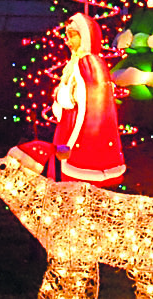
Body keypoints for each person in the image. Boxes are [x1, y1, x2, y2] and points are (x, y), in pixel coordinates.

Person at [52, 12, 125, 185]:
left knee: (73, 177)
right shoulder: (79, 62)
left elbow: (84, 98)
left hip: (77, 129)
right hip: (68, 125)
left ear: (85, 36)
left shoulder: (88, 63)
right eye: (67, 36)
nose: (68, 41)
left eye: (72, 36)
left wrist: (61, 94)